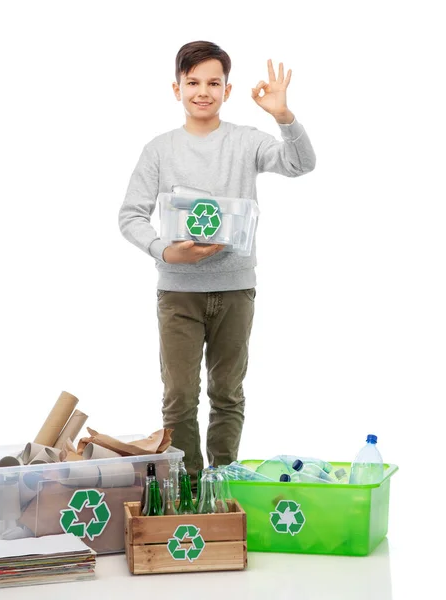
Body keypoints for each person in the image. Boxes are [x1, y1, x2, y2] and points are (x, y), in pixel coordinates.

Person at [118, 41, 315, 483]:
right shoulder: (159, 150)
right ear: (176, 88)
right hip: (178, 293)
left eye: (213, 83)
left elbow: (301, 164)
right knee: (180, 396)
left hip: (234, 289)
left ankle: (222, 482)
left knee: (227, 392)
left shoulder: (246, 142)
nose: (202, 91)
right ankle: (187, 487)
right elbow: (130, 215)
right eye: (193, 82)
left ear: (227, 90)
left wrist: (283, 116)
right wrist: (165, 251)